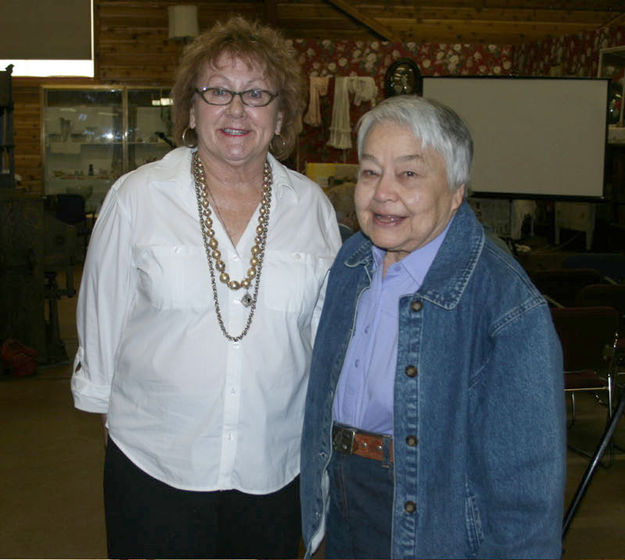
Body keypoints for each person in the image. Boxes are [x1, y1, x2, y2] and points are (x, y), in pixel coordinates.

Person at [71, 16, 341, 559]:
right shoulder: (138, 198)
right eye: (218, 91)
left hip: (274, 467)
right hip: (156, 463)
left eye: (256, 93)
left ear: (281, 112)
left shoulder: (311, 208)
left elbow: (325, 336)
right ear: (190, 109)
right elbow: (100, 319)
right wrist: (106, 410)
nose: (236, 109)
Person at [300, 95, 566, 559]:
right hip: (341, 498)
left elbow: (526, 492)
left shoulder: (504, 303)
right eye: (369, 171)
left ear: (457, 190)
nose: (383, 192)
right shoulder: (352, 262)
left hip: (432, 519)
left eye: (409, 174)